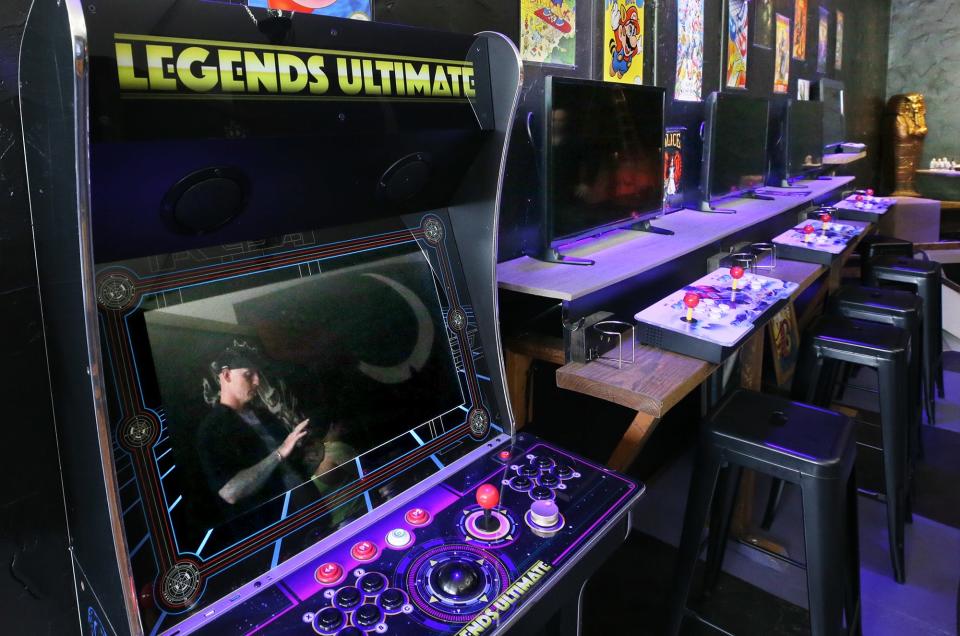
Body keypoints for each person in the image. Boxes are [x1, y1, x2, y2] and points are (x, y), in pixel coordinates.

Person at [198, 346, 310, 517]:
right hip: (279, 528)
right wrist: (279, 453)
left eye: (258, 374)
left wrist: (309, 455)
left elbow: (292, 464)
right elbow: (230, 492)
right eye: (248, 375)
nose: (257, 381)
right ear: (227, 375)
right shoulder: (212, 428)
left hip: (312, 509)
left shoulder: (264, 414)